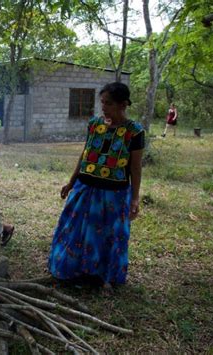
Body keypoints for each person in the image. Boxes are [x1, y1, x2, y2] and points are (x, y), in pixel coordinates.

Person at [48, 82, 145, 292]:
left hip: (114, 195)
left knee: (109, 236)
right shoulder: (94, 125)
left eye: (108, 103)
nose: (103, 107)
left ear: (123, 104)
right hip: (85, 188)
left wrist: (135, 198)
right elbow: (85, 155)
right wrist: (72, 181)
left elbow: (135, 168)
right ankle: (73, 272)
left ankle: (102, 277)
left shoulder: (134, 131)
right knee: (75, 231)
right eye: (102, 102)